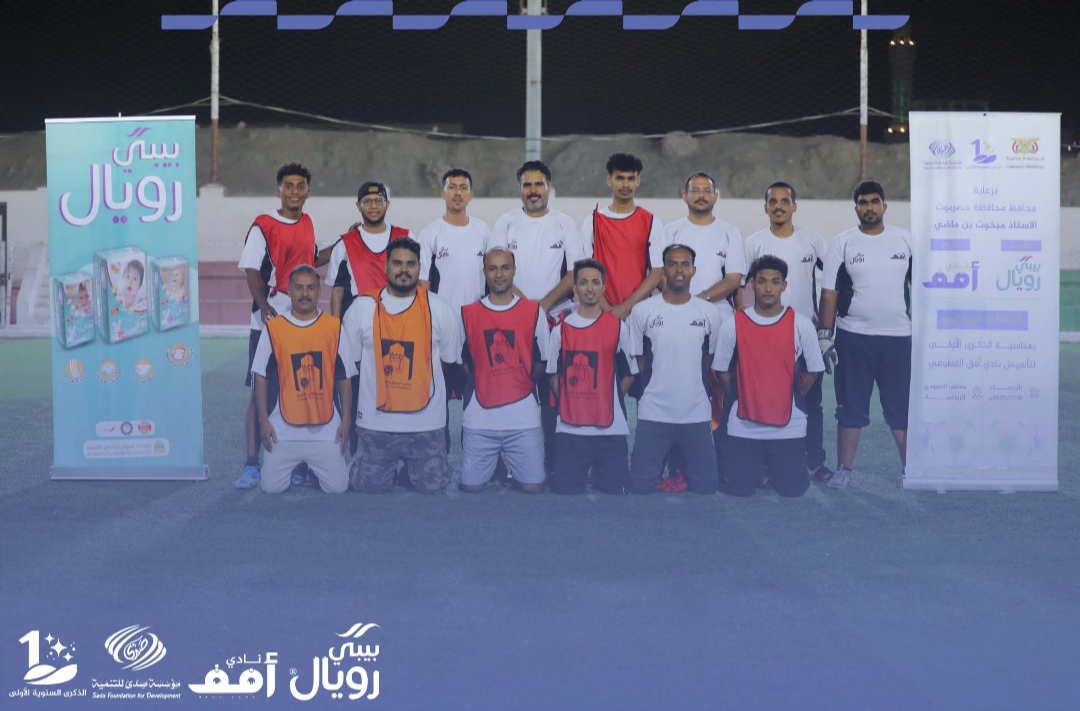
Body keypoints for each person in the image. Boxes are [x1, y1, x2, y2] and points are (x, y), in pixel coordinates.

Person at [235, 163, 332, 490]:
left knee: (301, 388)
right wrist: (265, 308)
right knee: (259, 391)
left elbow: (313, 259)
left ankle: (300, 465)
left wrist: (347, 240)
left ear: (308, 191)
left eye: (300, 186)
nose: (294, 191)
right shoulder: (263, 225)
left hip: (302, 320)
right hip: (269, 321)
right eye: (288, 186)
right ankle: (251, 465)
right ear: (279, 191)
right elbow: (251, 271)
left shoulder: (308, 222)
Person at [341, 238, 462, 493]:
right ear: (386, 266)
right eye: (397, 263)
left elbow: (447, 363)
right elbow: (354, 365)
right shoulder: (362, 307)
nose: (404, 270)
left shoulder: (440, 308)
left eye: (410, 264)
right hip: (376, 425)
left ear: (419, 267)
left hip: (426, 425)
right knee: (368, 487)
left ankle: (411, 469)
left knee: (432, 486)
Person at [492, 160, 587, 474]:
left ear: (549, 187)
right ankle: (508, 464)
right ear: (519, 188)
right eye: (527, 185)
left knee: (553, 394)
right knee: (512, 393)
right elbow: (497, 271)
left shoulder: (564, 224)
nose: (533, 190)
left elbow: (574, 273)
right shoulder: (505, 223)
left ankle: (554, 460)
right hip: (512, 320)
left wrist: (542, 306)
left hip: (555, 319)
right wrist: (526, 308)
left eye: (539, 184)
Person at [818, 181, 913, 488]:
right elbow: (829, 292)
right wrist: (824, 335)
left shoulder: (906, 240)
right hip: (853, 338)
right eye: (863, 202)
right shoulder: (842, 243)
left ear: (884, 206)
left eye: (874, 201)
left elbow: (925, 287)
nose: (869, 207)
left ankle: (911, 470)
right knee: (850, 408)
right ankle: (844, 470)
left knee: (901, 409)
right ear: (856, 208)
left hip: (898, 339)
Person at [713, 255, 825, 497]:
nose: (768, 288)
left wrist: (787, 397)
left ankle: (772, 467)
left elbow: (813, 372)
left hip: (789, 425)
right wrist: (741, 396)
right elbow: (721, 372)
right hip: (744, 426)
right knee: (740, 490)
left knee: (793, 490)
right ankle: (757, 466)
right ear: (752, 285)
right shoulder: (733, 324)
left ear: (784, 286)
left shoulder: (801, 325)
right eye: (762, 281)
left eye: (775, 282)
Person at [744, 181, 833, 482]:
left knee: (812, 403)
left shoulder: (812, 240)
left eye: (785, 201)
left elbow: (835, 281)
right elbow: (741, 289)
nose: (779, 206)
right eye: (773, 201)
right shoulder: (754, 243)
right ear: (765, 207)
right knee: (767, 402)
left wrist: (827, 328)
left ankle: (814, 462)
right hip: (766, 338)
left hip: (806, 337)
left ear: (794, 206)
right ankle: (766, 466)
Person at [250, 265, 354, 494]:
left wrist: (346, 421)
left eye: (310, 288)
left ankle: (314, 471)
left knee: (338, 488)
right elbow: (260, 376)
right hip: (283, 431)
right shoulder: (274, 328)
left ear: (319, 291)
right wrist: (264, 422)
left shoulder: (334, 327)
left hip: (326, 430)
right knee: (271, 488)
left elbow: (345, 378)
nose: (304, 294)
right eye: (299, 288)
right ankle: (302, 469)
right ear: (289, 290)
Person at [627, 244, 721, 495]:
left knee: (706, 487)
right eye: (672, 264)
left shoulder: (709, 313)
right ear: (663, 271)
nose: (679, 269)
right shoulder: (643, 311)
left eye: (685, 264)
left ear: (693, 270)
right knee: (640, 486)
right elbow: (639, 361)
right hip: (654, 411)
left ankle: (678, 467)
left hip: (696, 412)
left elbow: (709, 360)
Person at [458, 248, 550, 493]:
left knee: (533, 487)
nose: (499, 274)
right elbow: (464, 363)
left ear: (514, 271)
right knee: (471, 488)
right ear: (484, 272)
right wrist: (487, 382)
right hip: (480, 418)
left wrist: (517, 383)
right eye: (493, 268)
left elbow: (542, 362)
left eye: (505, 268)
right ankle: (495, 466)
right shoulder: (468, 313)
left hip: (522, 417)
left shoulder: (534, 312)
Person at [547, 259, 636, 495]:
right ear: (574, 288)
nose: (589, 288)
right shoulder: (560, 330)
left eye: (595, 282)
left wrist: (607, 397)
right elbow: (553, 375)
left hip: (610, 429)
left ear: (603, 288)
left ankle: (598, 470)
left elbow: (630, 374)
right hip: (571, 429)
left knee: (620, 489)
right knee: (565, 490)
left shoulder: (618, 327)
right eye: (584, 282)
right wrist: (570, 400)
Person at [581, 153, 666, 320]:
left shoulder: (651, 221)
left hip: (639, 313)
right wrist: (607, 310)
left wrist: (625, 308)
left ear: (638, 181)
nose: (626, 185)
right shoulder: (592, 221)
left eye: (631, 178)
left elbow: (656, 272)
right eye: (620, 178)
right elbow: (584, 271)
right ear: (609, 180)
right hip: (599, 312)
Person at [664, 172, 746, 319]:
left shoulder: (730, 232)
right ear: (684, 196)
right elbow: (660, 275)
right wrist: (681, 303)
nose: (701, 195)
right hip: (675, 313)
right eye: (695, 190)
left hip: (719, 316)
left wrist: (698, 300)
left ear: (715, 196)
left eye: (707, 191)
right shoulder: (669, 232)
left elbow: (733, 280)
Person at [326, 181, 411, 319]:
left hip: (398, 317)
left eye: (379, 200)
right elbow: (337, 291)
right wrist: (336, 327)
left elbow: (417, 280)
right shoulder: (344, 244)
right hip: (358, 320)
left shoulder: (406, 237)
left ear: (387, 204)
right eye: (367, 201)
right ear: (358, 206)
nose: (373, 206)